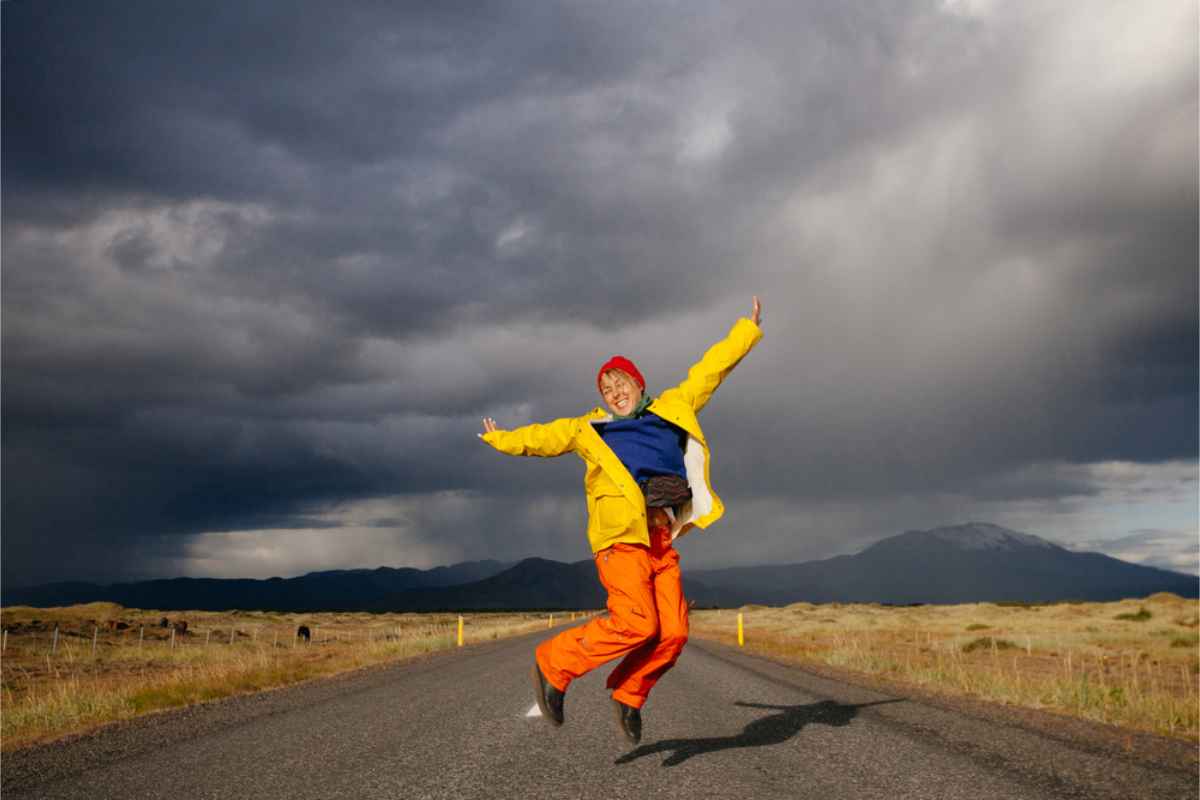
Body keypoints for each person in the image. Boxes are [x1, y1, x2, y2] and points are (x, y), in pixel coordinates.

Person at [478, 297, 763, 745]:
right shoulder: (593, 429)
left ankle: (630, 693)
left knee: (673, 631)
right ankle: (554, 663)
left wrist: (746, 331)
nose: (614, 393)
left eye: (620, 383)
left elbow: (710, 371)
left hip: (660, 540)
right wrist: (502, 439)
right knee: (637, 623)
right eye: (606, 389)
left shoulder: (672, 409)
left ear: (637, 382)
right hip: (619, 538)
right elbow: (545, 436)